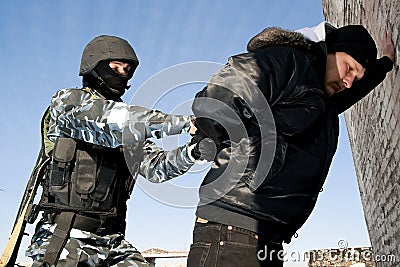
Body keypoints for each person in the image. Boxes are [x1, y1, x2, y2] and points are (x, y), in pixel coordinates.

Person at [187, 22, 395, 266]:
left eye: (356, 77)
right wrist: (236, 145)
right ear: (330, 50)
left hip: (267, 234)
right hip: (233, 224)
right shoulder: (289, 61)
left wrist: (385, 64)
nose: (348, 81)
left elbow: (356, 89)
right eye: (349, 68)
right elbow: (217, 99)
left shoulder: (322, 100)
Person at [24, 35, 202, 267]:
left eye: (127, 70)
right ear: (94, 66)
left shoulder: (129, 128)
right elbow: (112, 122)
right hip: (66, 236)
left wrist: (195, 150)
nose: (123, 74)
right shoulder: (68, 103)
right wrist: (187, 123)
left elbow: (156, 168)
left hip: (112, 241)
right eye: (116, 66)